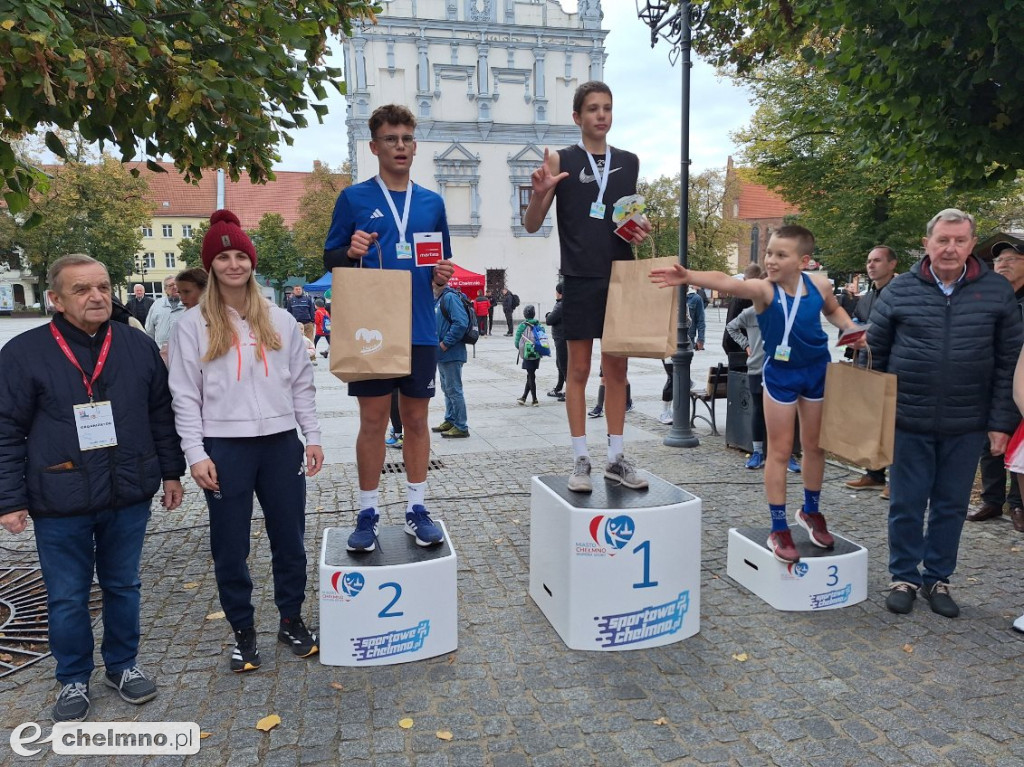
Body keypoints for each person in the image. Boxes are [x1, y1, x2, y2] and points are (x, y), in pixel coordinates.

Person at [0, 254, 184, 722]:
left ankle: (122, 665)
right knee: (66, 595)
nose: (97, 296)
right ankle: (73, 677)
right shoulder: (23, 354)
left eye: (102, 286)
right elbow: (6, 430)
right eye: (81, 290)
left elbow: (161, 414)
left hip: (128, 490)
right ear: (56, 300)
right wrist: (10, 500)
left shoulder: (135, 346)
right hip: (59, 496)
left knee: (124, 585)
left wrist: (170, 472)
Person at [168, 209, 324, 672]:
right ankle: (243, 629)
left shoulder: (278, 318)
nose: (233, 264)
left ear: (251, 262)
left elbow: (301, 384)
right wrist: (195, 454)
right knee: (230, 545)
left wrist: (310, 436)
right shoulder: (191, 324)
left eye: (241, 255)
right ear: (211, 266)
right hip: (225, 448)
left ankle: (291, 617)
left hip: (280, 444)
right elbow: (183, 394)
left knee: (290, 538)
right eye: (223, 257)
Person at [652, 224, 859, 564]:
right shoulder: (764, 290)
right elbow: (729, 281)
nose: (771, 260)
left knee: (814, 447)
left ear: (804, 261)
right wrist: (690, 275)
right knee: (778, 451)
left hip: (816, 373)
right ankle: (779, 527)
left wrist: (850, 328)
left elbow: (833, 309)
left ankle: (811, 511)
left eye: (781, 254)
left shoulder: (819, 285)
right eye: (769, 253)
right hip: (780, 377)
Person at [868, 209, 1021, 617]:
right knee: (906, 503)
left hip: (968, 422)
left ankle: (938, 577)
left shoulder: (996, 291)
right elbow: (876, 357)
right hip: (907, 419)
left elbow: (1009, 362)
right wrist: (875, 419)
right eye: (943, 240)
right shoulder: (899, 291)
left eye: (959, 240)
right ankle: (903, 576)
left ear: (972, 246)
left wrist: (1000, 422)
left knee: (951, 505)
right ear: (927, 244)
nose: (950, 248)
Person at [323, 103, 455, 552]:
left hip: (418, 327)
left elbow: (440, 265)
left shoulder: (432, 202)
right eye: (390, 139)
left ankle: (417, 508)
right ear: (375, 146)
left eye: (406, 139)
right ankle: (367, 511)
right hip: (372, 329)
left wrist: (441, 277)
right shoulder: (354, 198)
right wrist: (351, 249)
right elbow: (331, 257)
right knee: (374, 421)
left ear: (414, 146)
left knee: (417, 420)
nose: (400, 146)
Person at [522, 80, 651, 493]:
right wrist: (539, 194)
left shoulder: (629, 162)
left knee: (616, 371)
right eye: (593, 108)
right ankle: (581, 457)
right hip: (578, 277)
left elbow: (627, 219)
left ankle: (616, 458)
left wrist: (640, 229)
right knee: (577, 370)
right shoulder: (562, 159)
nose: (601, 115)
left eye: (607, 108)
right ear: (577, 117)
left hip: (620, 276)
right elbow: (531, 223)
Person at [968, 238, 1024, 532]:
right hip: (989, 378)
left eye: (1011, 259)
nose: (1002, 264)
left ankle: (1017, 504)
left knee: (1018, 444)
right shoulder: (990, 298)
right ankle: (992, 499)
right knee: (988, 440)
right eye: (999, 260)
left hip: (1021, 382)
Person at [843, 246, 899, 499]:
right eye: (868, 261)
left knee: (893, 425)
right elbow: (855, 322)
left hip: (893, 367)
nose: (871, 265)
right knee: (872, 423)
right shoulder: (867, 296)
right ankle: (874, 473)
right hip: (867, 365)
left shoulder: (900, 294)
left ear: (892, 264)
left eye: (877, 260)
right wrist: (850, 338)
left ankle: (896, 481)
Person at [435, 285, 470, 437]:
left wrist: (444, 344)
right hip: (442, 354)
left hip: (451, 352)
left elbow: (461, 323)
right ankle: (450, 419)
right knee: (447, 389)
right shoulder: (439, 298)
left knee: (454, 390)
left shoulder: (449, 297)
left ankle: (461, 426)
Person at [145, 275, 185, 361]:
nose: (174, 287)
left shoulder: (188, 304)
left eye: (176, 284)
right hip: (161, 354)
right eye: (170, 285)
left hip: (184, 353)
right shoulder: (157, 305)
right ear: (165, 290)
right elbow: (149, 330)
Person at [515, 305, 543, 406]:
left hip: (527, 354)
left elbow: (517, 341)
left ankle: (535, 399)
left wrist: (522, 349)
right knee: (530, 374)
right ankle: (523, 397)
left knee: (531, 376)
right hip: (537, 353)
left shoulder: (522, 326)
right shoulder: (539, 325)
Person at [545, 283, 567, 401]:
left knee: (563, 365)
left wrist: (548, 314)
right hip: (564, 337)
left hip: (561, 338)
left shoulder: (560, 305)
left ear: (559, 293)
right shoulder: (568, 302)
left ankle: (569, 391)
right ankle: (559, 388)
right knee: (560, 364)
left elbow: (550, 320)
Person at [687, 287, 706, 351]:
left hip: (689, 336)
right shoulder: (673, 296)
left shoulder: (696, 298)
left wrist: (701, 339)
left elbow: (700, 320)